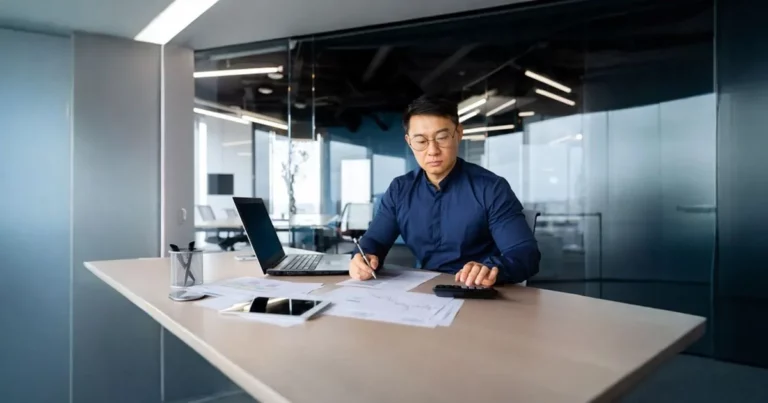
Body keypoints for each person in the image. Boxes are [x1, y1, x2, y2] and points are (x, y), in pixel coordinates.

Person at [349, 95, 540, 286]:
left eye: (441, 138)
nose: (432, 150)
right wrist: (361, 257)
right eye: (421, 141)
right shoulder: (400, 190)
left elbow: (525, 255)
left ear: (458, 133)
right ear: (409, 142)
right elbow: (374, 241)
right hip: (425, 293)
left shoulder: (491, 188)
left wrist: (491, 268)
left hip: (479, 292)